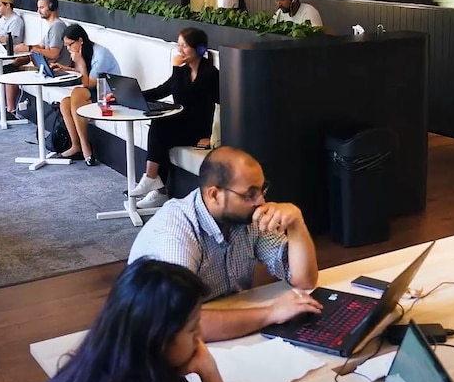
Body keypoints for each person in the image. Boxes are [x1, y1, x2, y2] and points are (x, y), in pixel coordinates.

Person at [128, 146, 322, 342]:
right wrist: (270, 313)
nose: (261, 201)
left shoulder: (247, 219)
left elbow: (304, 280)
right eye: (250, 195)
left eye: (262, 190)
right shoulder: (176, 229)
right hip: (156, 345)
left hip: (223, 329)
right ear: (214, 195)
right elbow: (178, 322)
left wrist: (297, 223)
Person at [43, 257, 226, 382]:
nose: (199, 335)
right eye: (192, 329)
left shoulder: (93, 363)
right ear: (158, 338)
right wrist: (209, 372)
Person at [127, 28, 220, 209]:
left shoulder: (210, 74)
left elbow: (186, 98)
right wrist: (133, 96)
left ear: (199, 49)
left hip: (200, 129)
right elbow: (161, 90)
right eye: (179, 45)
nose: (180, 50)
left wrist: (176, 69)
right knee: (160, 124)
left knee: (161, 125)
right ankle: (155, 185)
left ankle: (153, 183)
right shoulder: (183, 71)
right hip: (182, 124)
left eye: (184, 46)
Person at [55, 23, 121, 165]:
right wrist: (65, 68)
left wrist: (81, 63)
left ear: (80, 40)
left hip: (109, 95)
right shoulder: (85, 51)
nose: (68, 49)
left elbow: (88, 83)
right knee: (65, 103)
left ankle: (85, 147)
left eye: (70, 44)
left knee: (77, 92)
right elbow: (84, 77)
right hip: (96, 92)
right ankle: (75, 145)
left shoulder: (100, 54)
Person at [0, 0, 71, 120]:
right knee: (13, 67)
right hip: (47, 67)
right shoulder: (52, 26)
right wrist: (26, 47)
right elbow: (41, 45)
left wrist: (30, 49)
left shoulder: (57, 27)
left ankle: (11, 110)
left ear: (52, 7)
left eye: (41, 7)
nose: (38, 11)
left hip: (54, 70)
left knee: (11, 73)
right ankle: (9, 109)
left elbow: (53, 53)